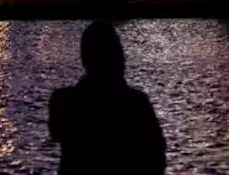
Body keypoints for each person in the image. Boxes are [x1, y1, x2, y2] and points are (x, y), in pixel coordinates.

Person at [49, 21, 166, 174]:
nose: (123, 59)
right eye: (118, 53)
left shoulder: (63, 101)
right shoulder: (136, 104)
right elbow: (157, 159)